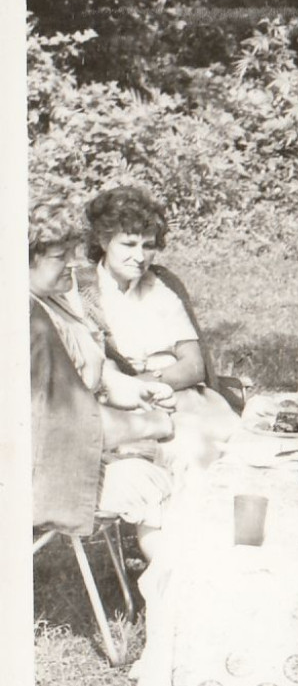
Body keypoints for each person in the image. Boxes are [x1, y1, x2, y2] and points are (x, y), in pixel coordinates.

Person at [30, 200, 176, 558]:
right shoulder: (27, 323)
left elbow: (90, 369)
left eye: (73, 252)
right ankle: (171, 589)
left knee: (184, 453)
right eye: (59, 256)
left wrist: (128, 388)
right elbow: (75, 424)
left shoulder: (52, 300)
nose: (73, 263)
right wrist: (153, 423)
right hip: (47, 469)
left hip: (78, 445)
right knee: (159, 478)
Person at [79, 186, 240, 451]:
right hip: (122, 405)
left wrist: (151, 384)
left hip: (178, 397)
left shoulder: (162, 286)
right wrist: (133, 390)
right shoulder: (83, 292)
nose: (140, 257)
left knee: (226, 445)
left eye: (149, 246)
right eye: (128, 244)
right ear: (104, 240)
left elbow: (194, 365)